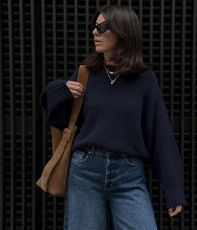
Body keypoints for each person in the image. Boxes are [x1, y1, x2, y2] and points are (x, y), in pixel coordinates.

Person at [40, 5, 187, 230]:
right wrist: (58, 90)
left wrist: (173, 188)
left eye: (102, 26)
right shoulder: (86, 74)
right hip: (85, 171)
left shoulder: (144, 80)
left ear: (122, 31)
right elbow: (58, 119)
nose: (94, 32)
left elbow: (160, 134)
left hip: (129, 176)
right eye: (94, 27)